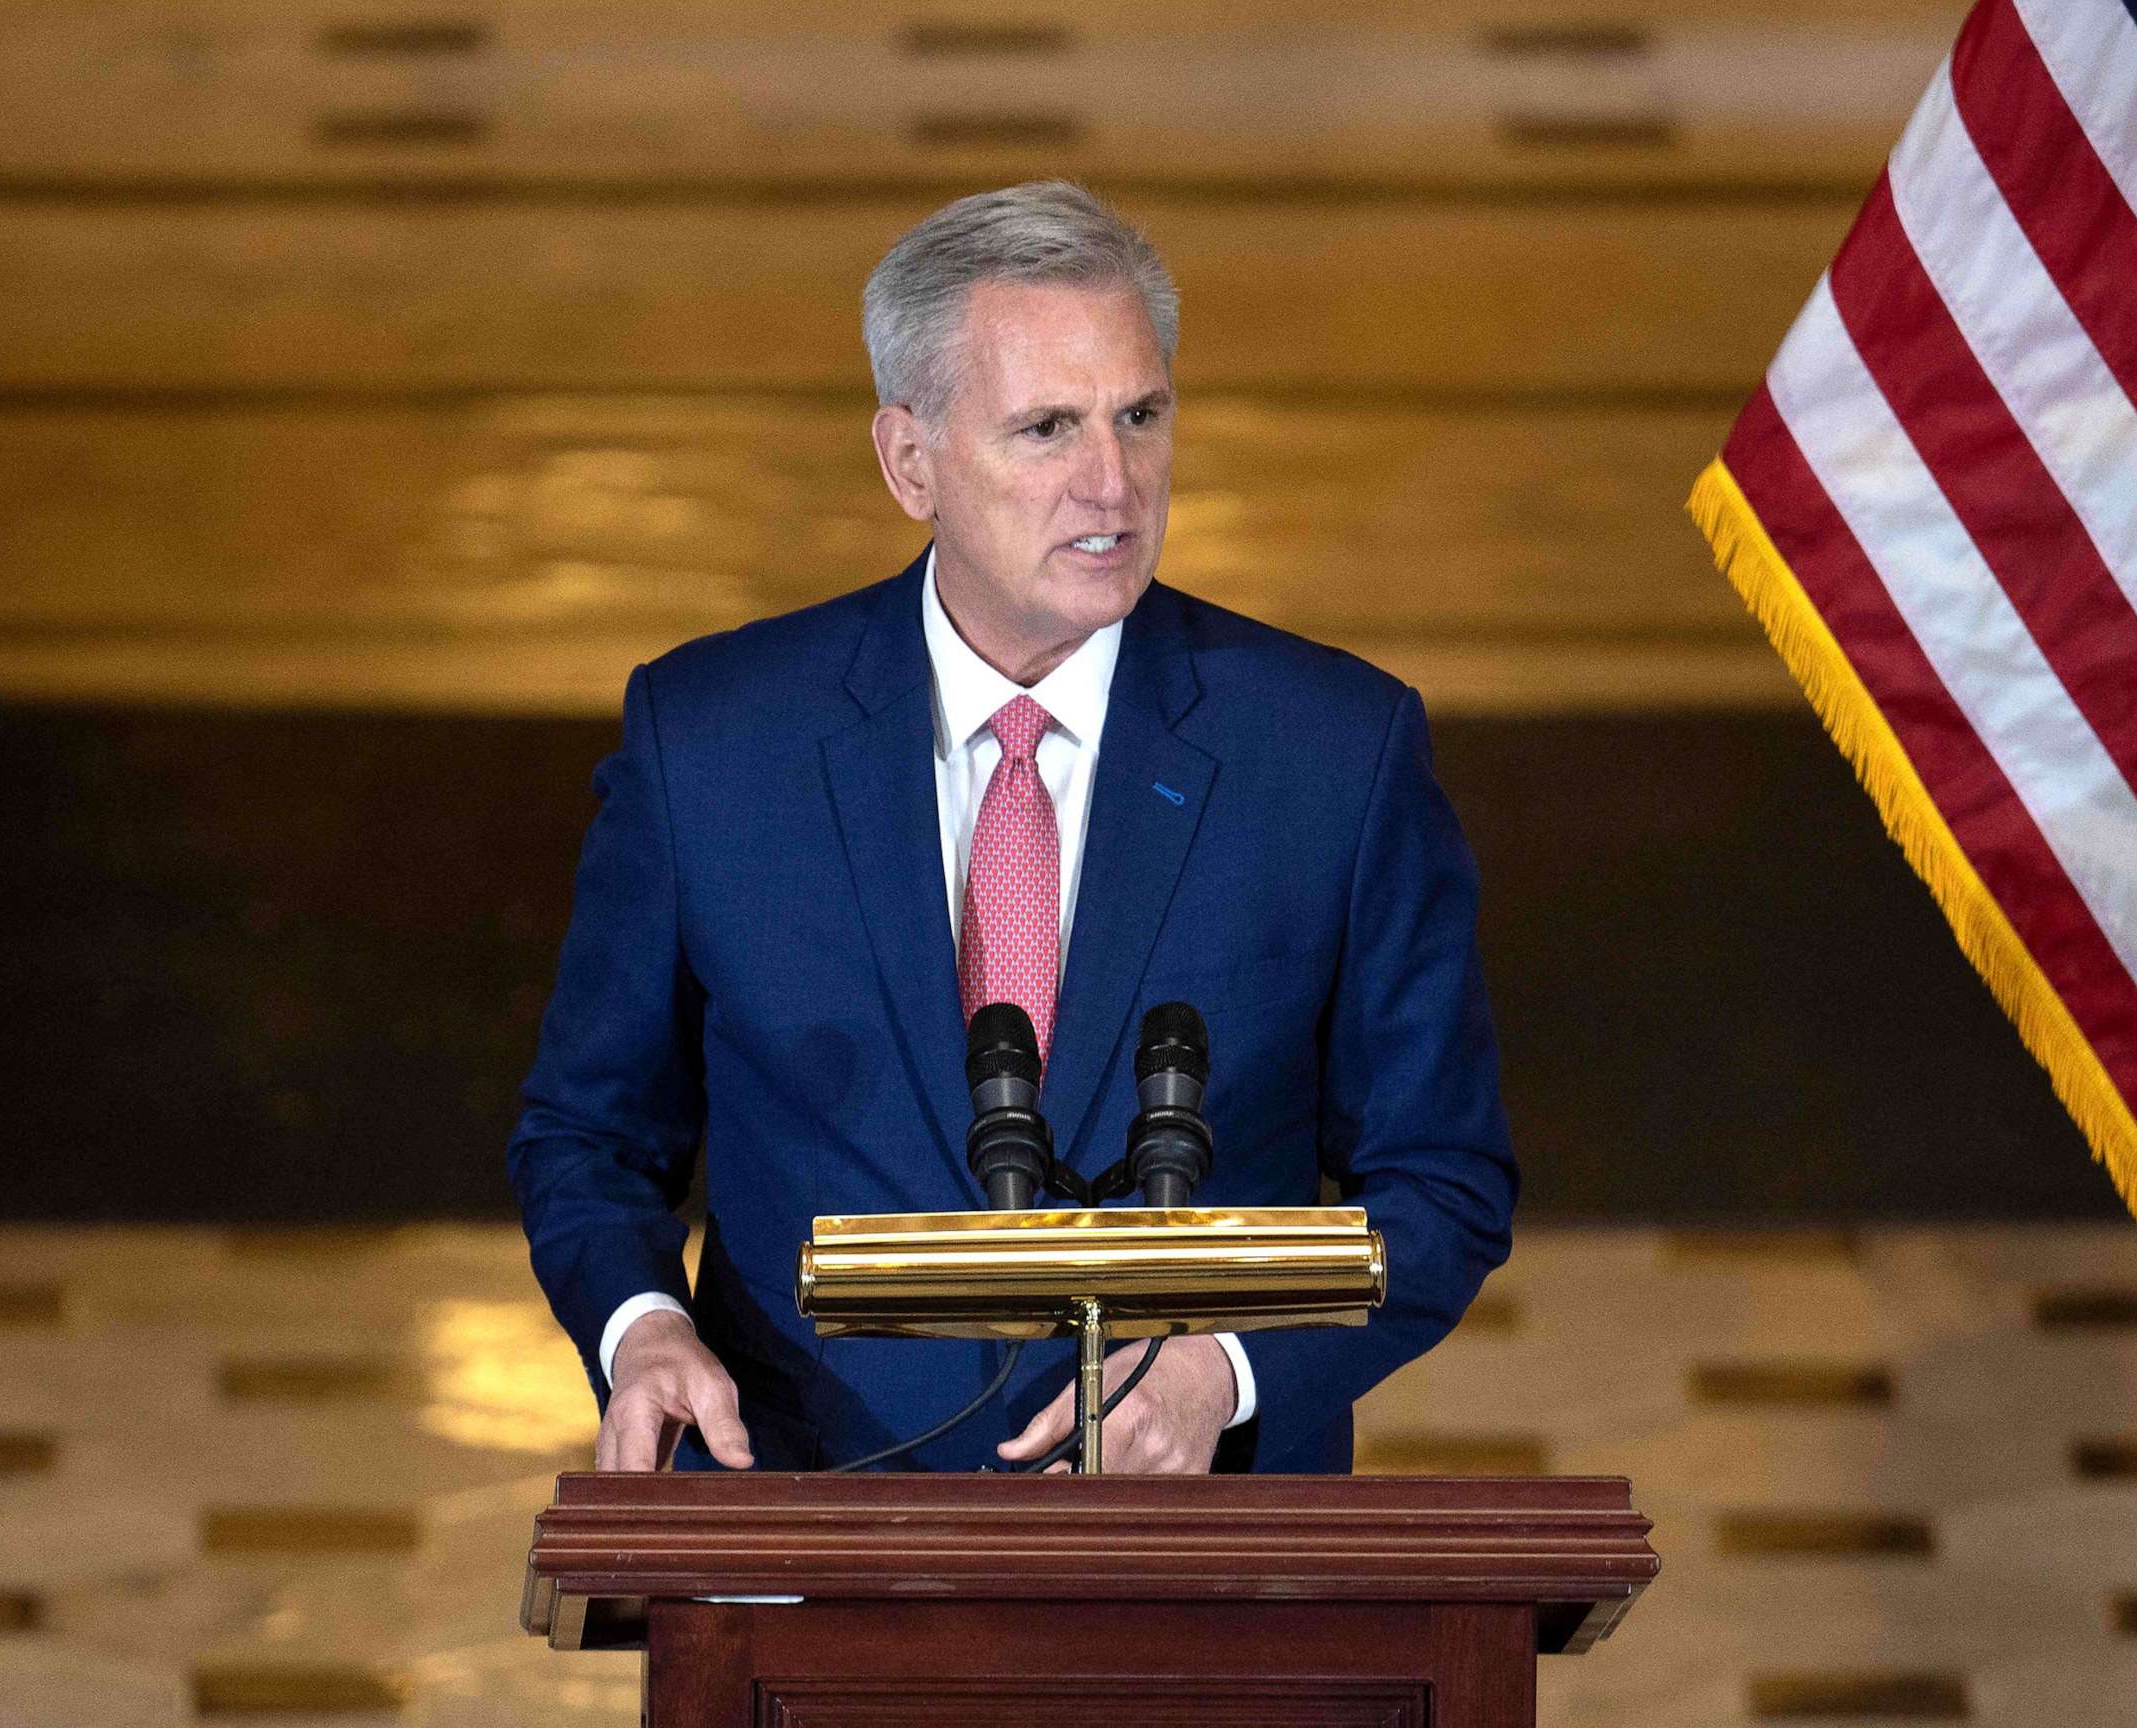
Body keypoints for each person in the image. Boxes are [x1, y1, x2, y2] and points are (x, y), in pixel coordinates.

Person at [508, 180, 1517, 1475]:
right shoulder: (710, 743)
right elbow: (589, 1138)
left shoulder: (1335, 752)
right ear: (908, 459)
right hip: (808, 1542)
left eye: (1141, 416)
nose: (1113, 482)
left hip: (1203, 1573)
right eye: (1046, 429)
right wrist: (641, 1330)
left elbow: (1441, 1180)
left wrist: (1229, 1372)